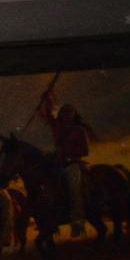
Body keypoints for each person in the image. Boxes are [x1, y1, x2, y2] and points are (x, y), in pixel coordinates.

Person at [35, 83, 97, 229]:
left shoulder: (79, 130)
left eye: (70, 112)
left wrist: (67, 151)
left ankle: (77, 221)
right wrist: (47, 100)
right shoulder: (57, 126)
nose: (67, 114)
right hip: (57, 163)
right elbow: (48, 114)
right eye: (65, 111)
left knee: (74, 188)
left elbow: (85, 151)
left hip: (73, 164)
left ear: (74, 114)